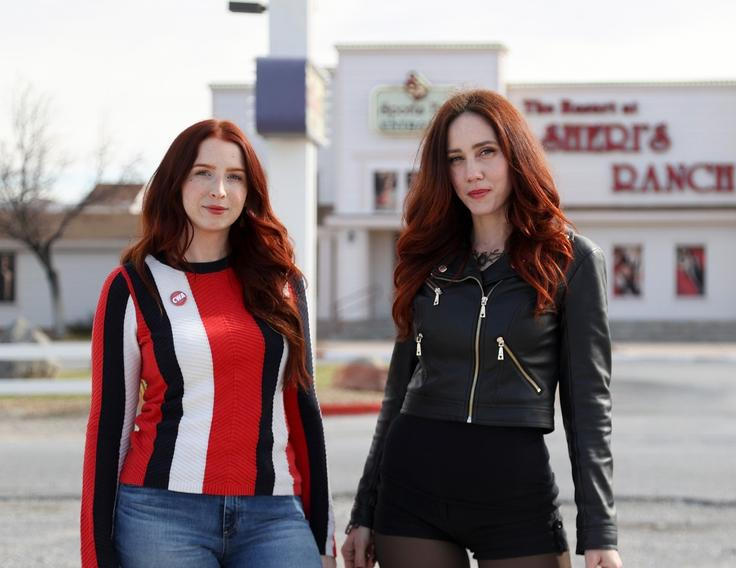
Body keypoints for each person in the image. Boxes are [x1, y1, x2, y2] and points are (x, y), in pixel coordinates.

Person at [341, 90, 622, 568]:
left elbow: (588, 405)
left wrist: (601, 533)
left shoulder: (570, 261)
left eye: (486, 152)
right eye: (456, 159)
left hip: (516, 496)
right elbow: (398, 391)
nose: (472, 172)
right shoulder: (429, 259)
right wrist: (364, 510)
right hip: (412, 494)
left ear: (516, 155)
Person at [80, 119, 337, 568]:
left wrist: (323, 536)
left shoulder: (282, 285)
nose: (219, 190)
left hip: (274, 514)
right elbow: (108, 426)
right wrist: (96, 556)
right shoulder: (133, 286)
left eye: (234, 177)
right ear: (176, 182)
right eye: (203, 173)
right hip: (161, 513)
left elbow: (303, 412)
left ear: (249, 191)